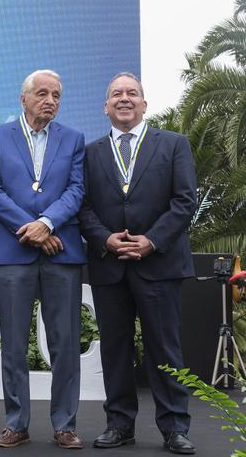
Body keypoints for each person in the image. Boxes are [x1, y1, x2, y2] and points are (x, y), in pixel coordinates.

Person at [79, 72, 197, 455]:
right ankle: (119, 425)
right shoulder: (91, 152)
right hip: (109, 266)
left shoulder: (174, 144)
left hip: (159, 264)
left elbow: (184, 201)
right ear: (106, 106)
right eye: (116, 94)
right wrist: (105, 239)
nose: (124, 99)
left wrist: (151, 241)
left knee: (165, 350)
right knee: (115, 350)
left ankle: (175, 427)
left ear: (144, 104)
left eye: (132, 93)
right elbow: (84, 208)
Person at [0, 70, 86, 449]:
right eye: (42, 94)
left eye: (56, 95)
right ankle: (16, 423)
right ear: (23, 98)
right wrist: (32, 229)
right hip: (13, 252)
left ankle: (65, 425)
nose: (50, 101)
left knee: (65, 343)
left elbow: (77, 189)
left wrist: (47, 222)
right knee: (12, 344)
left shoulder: (73, 139)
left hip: (62, 251)